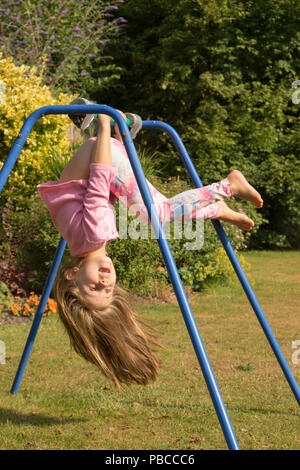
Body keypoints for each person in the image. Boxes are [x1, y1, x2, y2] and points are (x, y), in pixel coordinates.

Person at [37, 111, 263, 389]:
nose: (105, 282)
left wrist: (105, 125)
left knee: (160, 214)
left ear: (72, 274)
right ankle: (217, 209)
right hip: (98, 157)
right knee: (157, 213)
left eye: (95, 288)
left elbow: (98, 183)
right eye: (107, 290)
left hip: (102, 158)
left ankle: (229, 186)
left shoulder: (94, 234)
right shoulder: (81, 241)